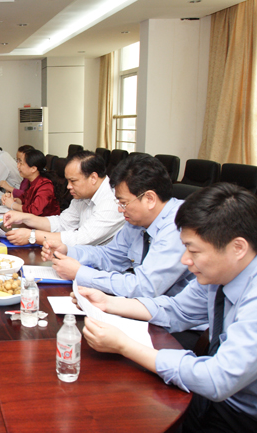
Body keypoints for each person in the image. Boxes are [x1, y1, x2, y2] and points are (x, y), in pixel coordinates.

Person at [77, 183, 257, 432]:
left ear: (238, 248)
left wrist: (124, 346)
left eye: (193, 250)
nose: (185, 260)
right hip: (210, 398)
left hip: (242, 416)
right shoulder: (220, 273)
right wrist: (109, 302)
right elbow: (177, 309)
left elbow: (217, 378)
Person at [40, 154, 195, 299]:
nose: (120, 210)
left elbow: (145, 287)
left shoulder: (179, 226)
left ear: (149, 199)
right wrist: (68, 250)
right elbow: (110, 255)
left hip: (171, 312)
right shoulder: (137, 222)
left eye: (124, 203)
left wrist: (80, 273)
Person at [4, 150, 124, 247]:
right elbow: (62, 223)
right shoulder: (82, 196)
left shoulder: (113, 202)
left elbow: (81, 239)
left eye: (73, 181)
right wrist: (25, 218)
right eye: (68, 181)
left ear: (93, 178)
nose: (68, 186)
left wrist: (33, 236)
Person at [0, 148, 61, 217]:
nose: (18, 166)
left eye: (21, 163)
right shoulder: (30, 181)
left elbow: (35, 210)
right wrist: (13, 200)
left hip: (45, 222)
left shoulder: (45, 185)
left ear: (33, 169)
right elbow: (24, 199)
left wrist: (13, 205)